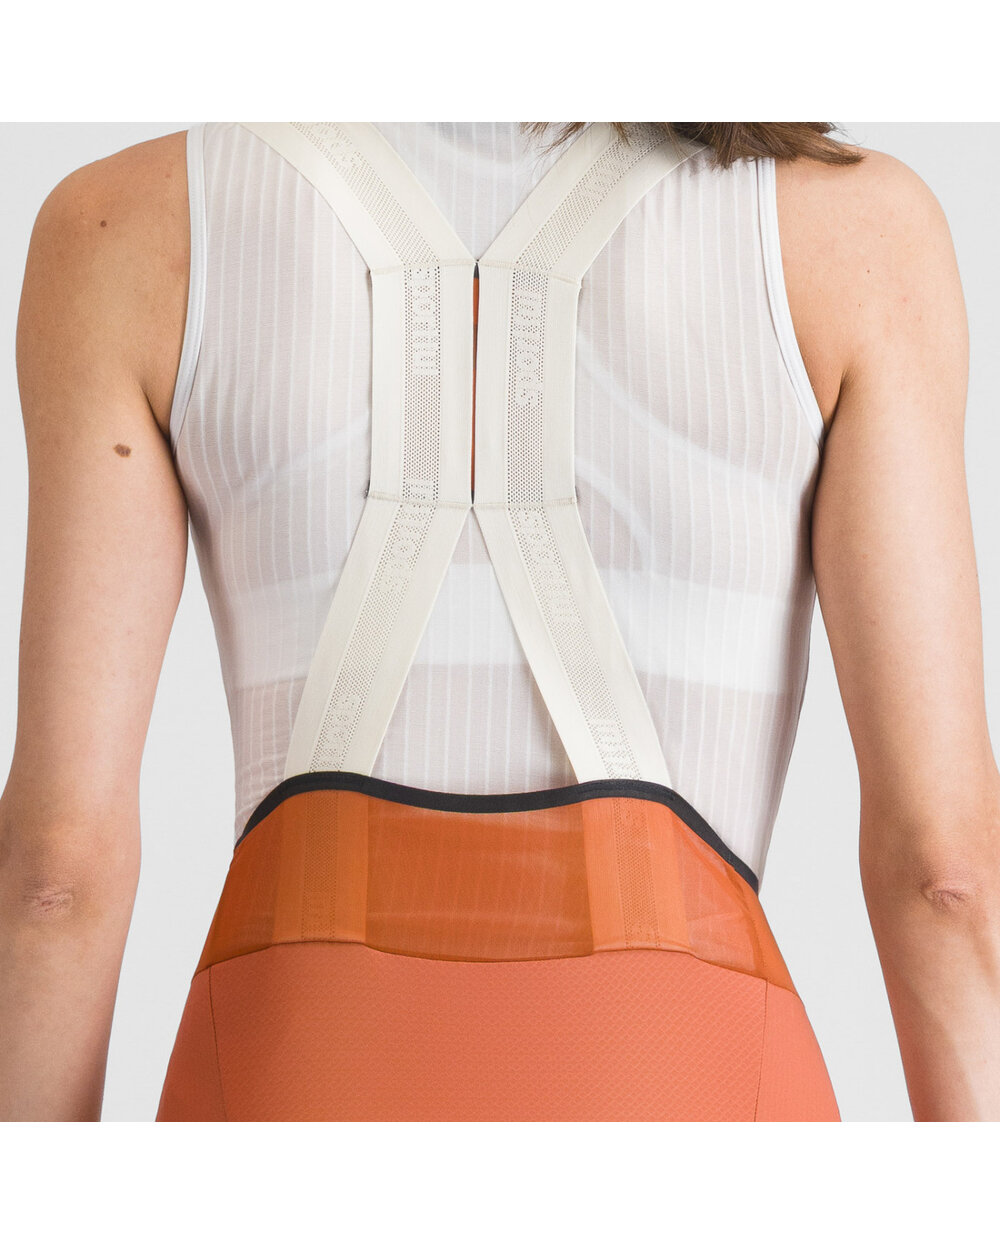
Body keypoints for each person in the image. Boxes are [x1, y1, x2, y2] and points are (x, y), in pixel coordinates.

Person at [1, 121, 996, 1122]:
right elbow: (945, 876)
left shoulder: (124, 225)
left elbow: (55, 875)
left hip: (299, 1066)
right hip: (684, 1071)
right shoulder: (854, 235)